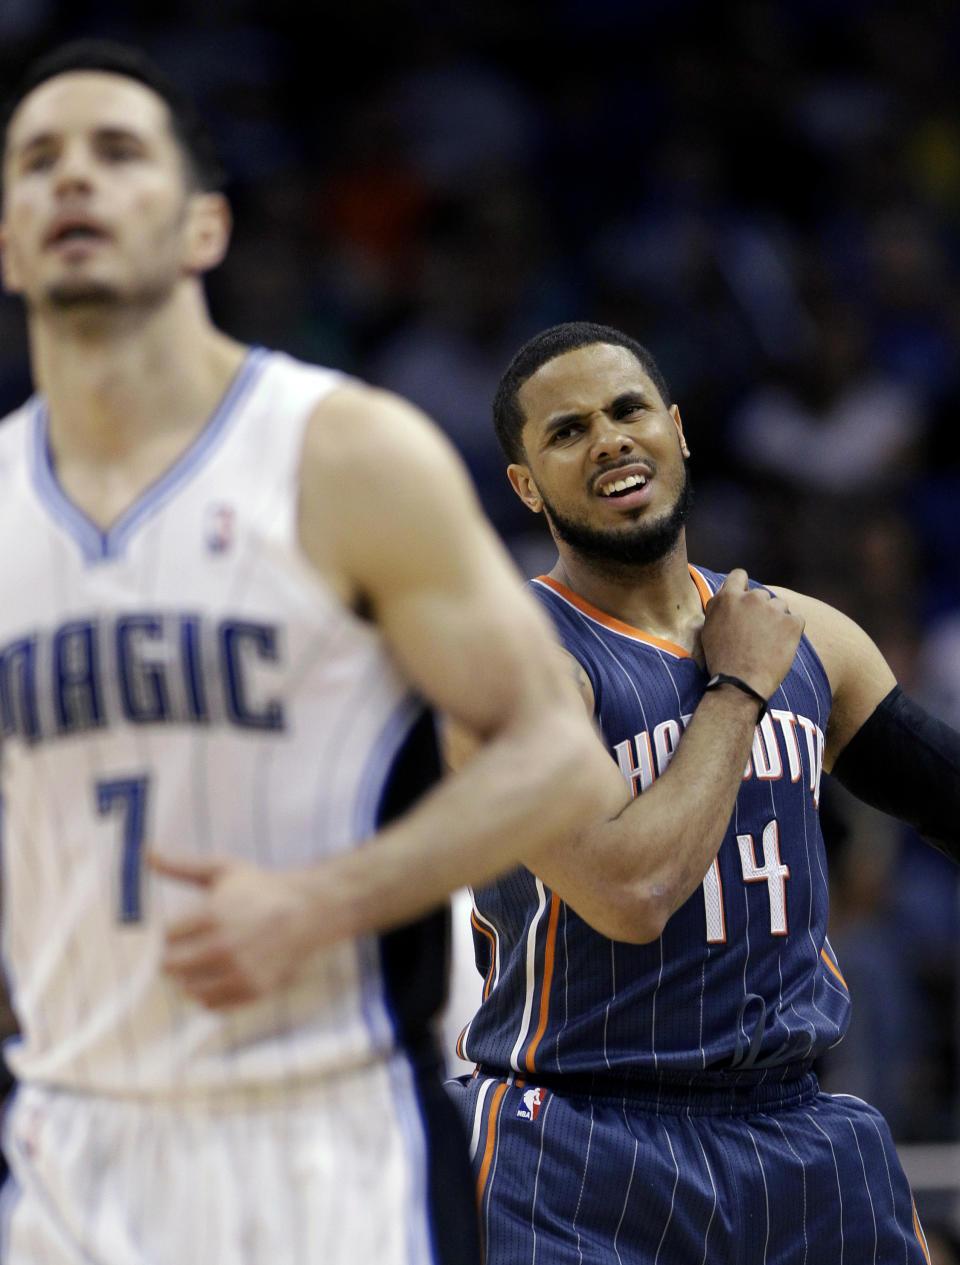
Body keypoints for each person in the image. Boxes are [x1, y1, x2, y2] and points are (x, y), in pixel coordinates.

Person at [0, 43, 805, 1265]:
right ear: (7, 239)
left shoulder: (341, 454)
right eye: (38, 161)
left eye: (117, 153)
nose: (74, 181)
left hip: (321, 1126)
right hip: (66, 1133)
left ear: (204, 225)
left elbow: (554, 762)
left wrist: (322, 900)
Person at [447, 320, 960, 1264]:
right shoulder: (511, 660)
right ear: (525, 485)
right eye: (566, 431)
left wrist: (753, 664)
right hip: (578, 1143)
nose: (608, 438)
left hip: (799, 1126)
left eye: (628, 409)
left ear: (678, 429)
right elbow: (629, 893)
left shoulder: (810, 634)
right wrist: (737, 688)